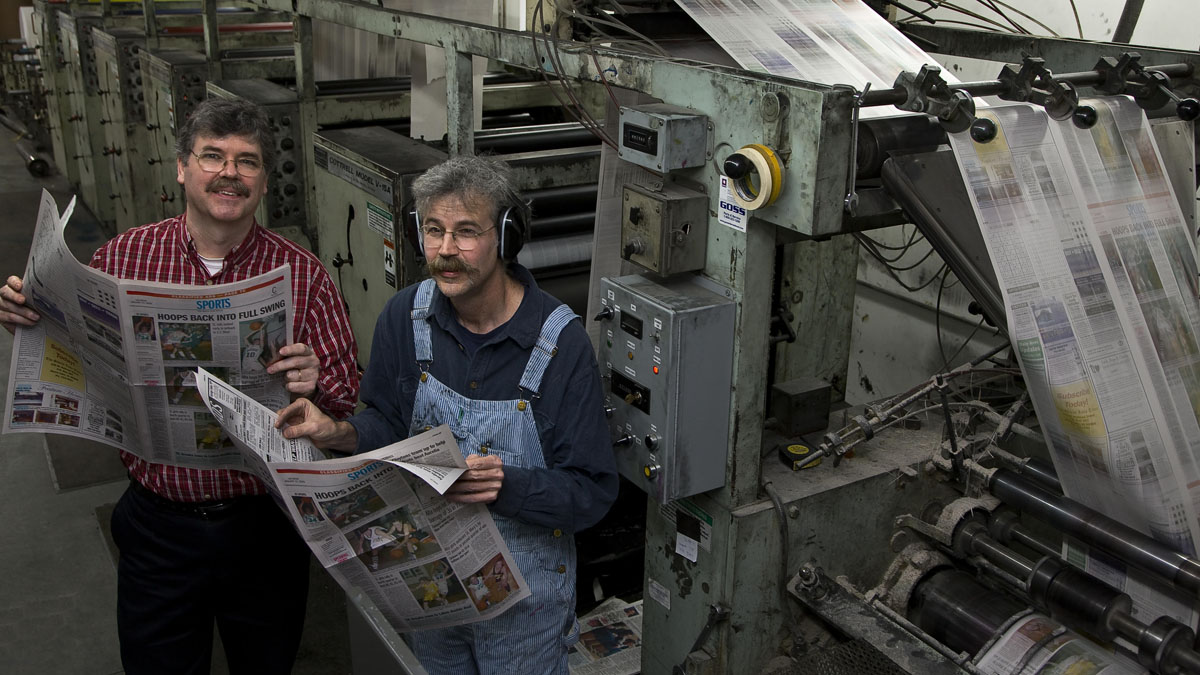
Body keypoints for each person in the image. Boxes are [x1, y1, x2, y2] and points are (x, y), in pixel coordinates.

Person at [0, 98, 359, 674]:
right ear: (181, 167)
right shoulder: (126, 257)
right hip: (158, 528)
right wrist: (28, 308)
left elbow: (345, 399)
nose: (229, 173)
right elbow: (74, 345)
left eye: (247, 162)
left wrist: (317, 382)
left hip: (263, 527)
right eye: (212, 155)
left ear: (264, 180)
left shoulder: (303, 274)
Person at [275, 154, 617, 674]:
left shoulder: (559, 344)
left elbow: (592, 490)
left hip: (523, 607)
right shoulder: (404, 317)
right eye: (433, 231)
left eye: (466, 232)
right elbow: (388, 425)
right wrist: (338, 431)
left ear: (505, 236)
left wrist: (508, 485)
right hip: (432, 588)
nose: (446, 251)